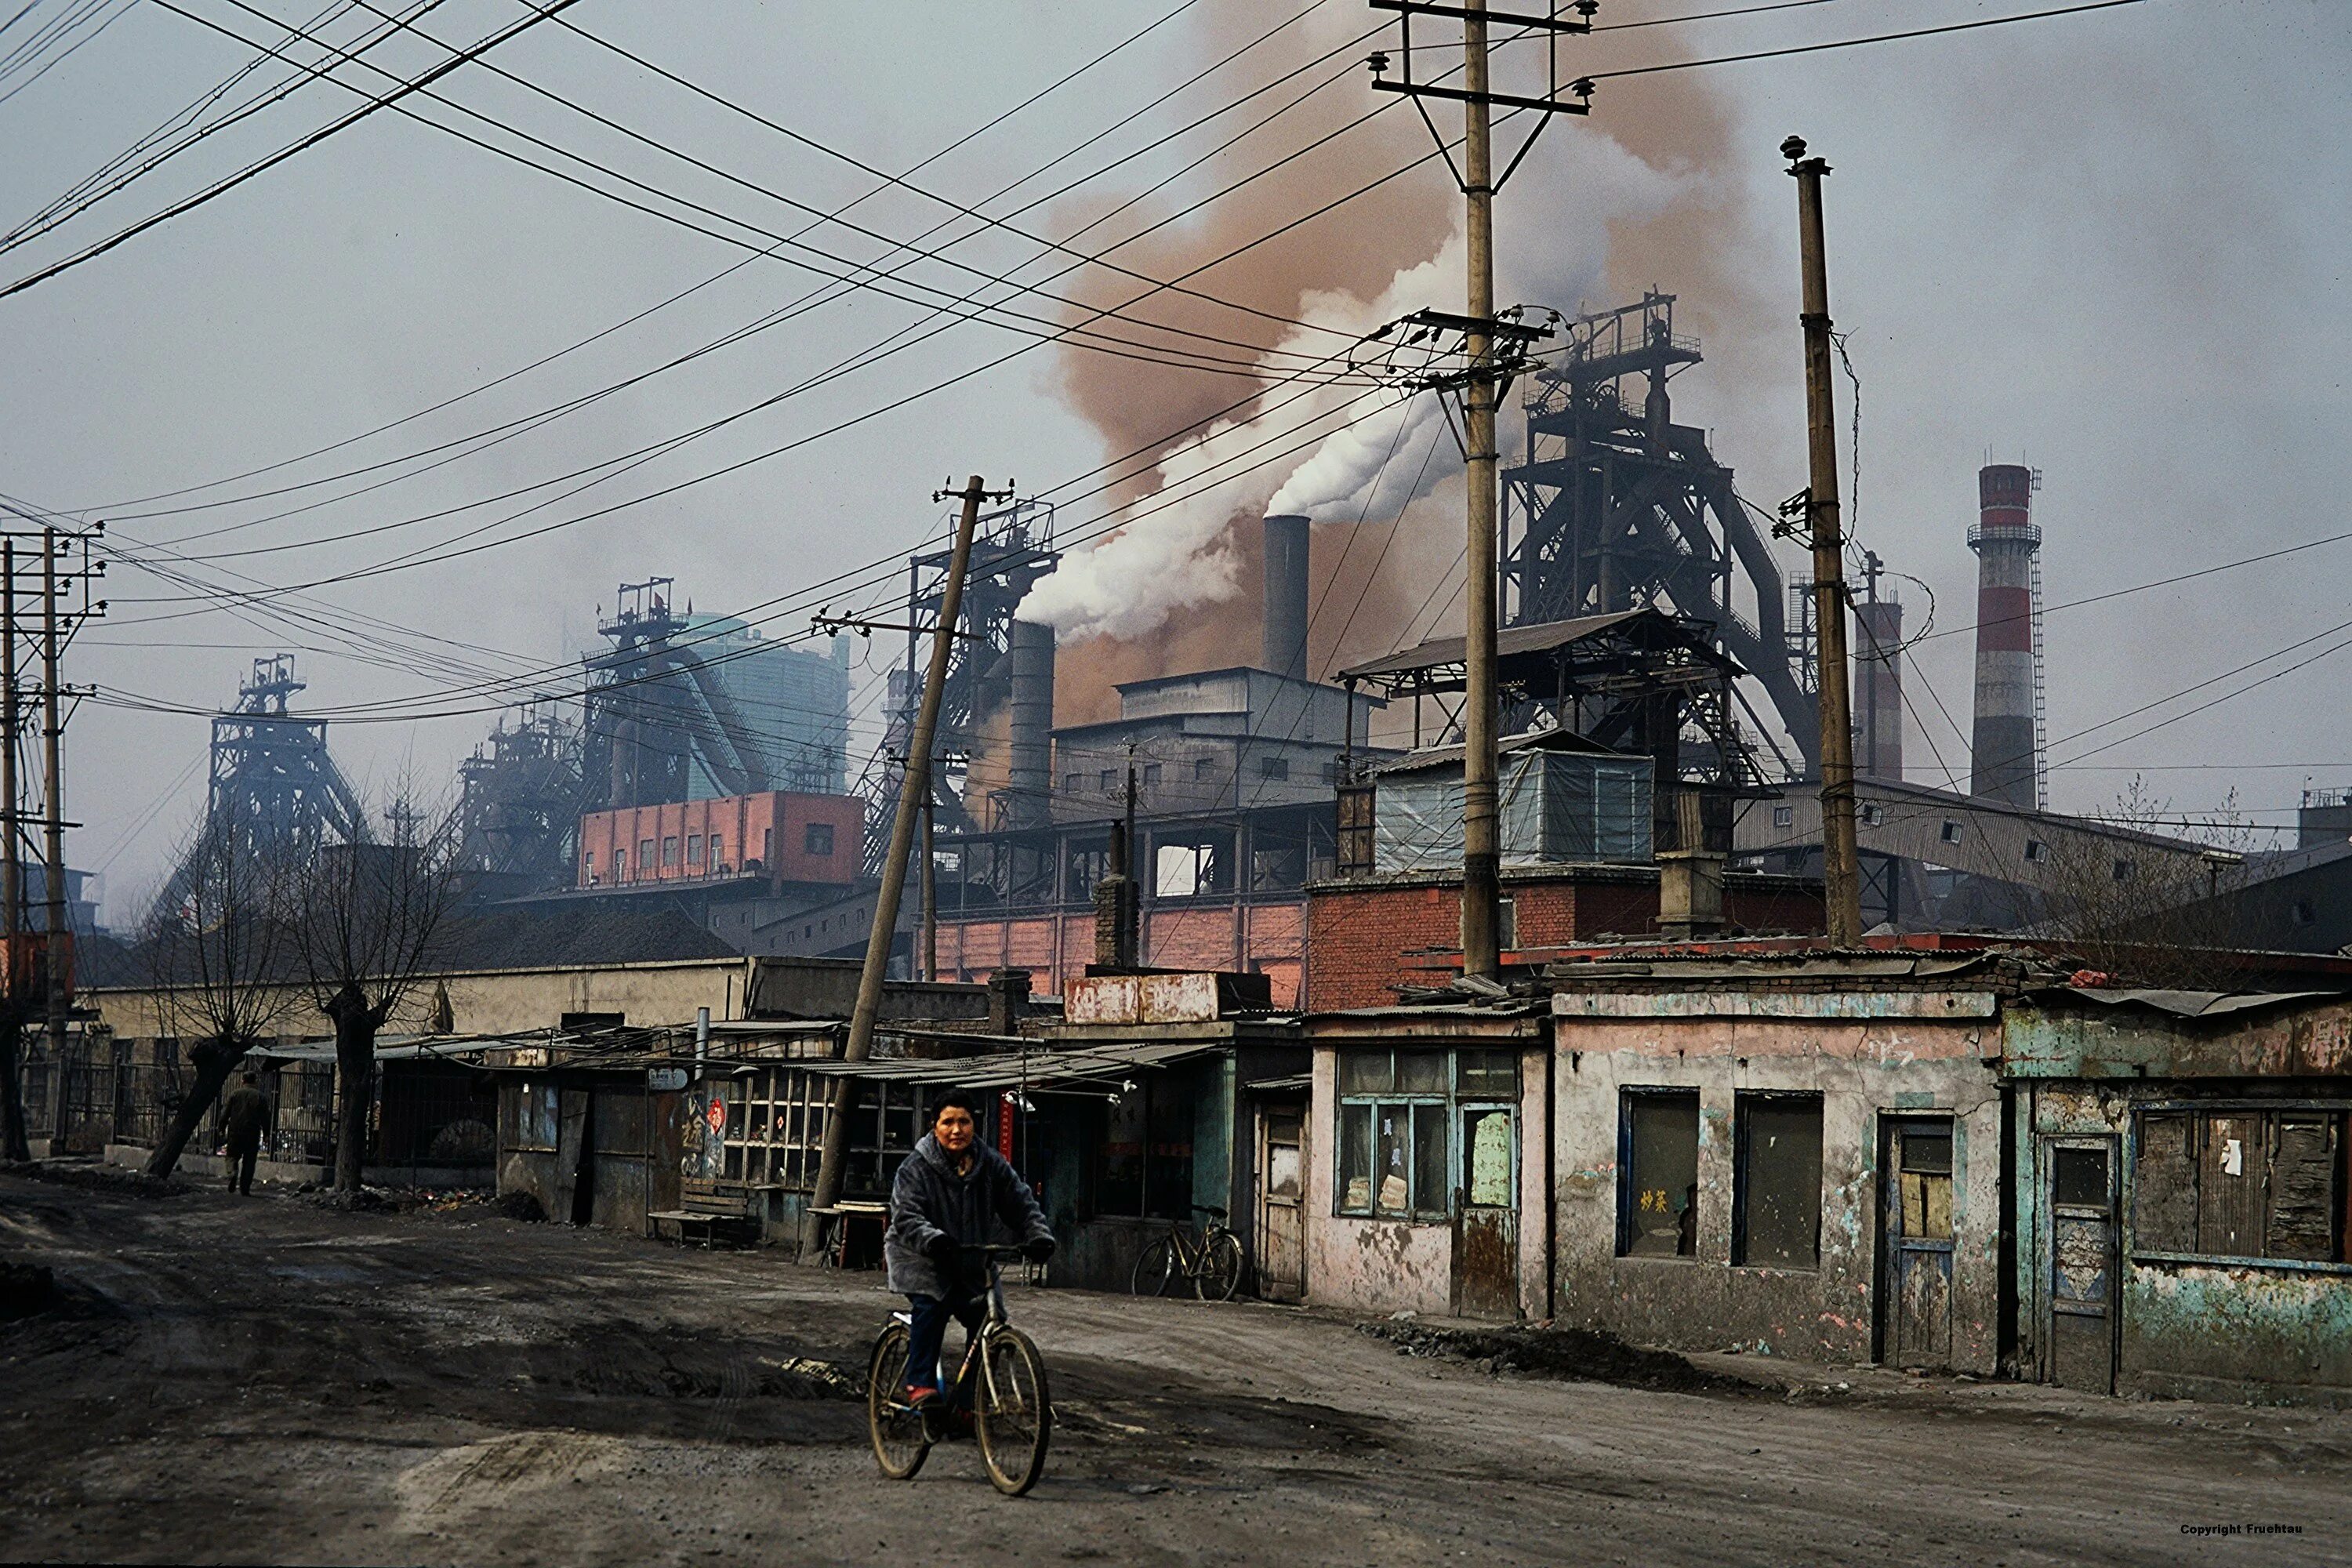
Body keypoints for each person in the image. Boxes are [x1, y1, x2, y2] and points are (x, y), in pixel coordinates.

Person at [884, 1087, 1054, 1410]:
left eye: (964, 1121)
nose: (956, 1129)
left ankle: (968, 1404)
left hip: (970, 1258)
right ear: (935, 1126)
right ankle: (918, 1383)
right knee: (932, 1306)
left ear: (974, 1125)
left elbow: (1021, 1203)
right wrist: (933, 1239)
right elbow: (906, 1216)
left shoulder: (990, 1164)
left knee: (988, 1322)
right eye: (948, 1122)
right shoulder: (915, 1167)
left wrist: (1039, 1236)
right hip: (922, 1256)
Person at [220, 1071, 270, 1197]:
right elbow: (266, 1118)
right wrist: (267, 1133)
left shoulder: (235, 1094)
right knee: (249, 1161)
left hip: (235, 1131)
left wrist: (221, 1127)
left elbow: (226, 1113)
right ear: (255, 1081)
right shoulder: (261, 1097)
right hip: (252, 1132)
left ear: (243, 1081)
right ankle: (245, 1189)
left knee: (232, 1156)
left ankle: (232, 1173)